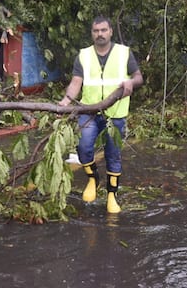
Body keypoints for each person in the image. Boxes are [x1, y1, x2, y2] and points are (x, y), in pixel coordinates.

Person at [58, 16, 143, 214]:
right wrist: (66, 101)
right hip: (89, 112)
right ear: (92, 33)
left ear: (110, 31)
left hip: (116, 114)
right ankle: (93, 179)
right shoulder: (84, 55)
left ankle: (112, 194)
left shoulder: (123, 53)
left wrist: (131, 82)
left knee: (114, 154)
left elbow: (139, 77)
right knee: (84, 147)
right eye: (96, 31)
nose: (100, 34)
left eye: (104, 30)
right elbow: (76, 82)